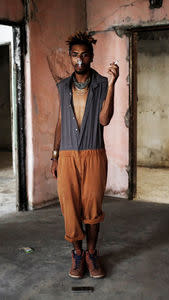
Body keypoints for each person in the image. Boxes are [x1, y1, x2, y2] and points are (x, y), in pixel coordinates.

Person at [50, 32, 119, 279]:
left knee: (92, 206)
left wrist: (112, 85)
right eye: (75, 55)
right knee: (70, 207)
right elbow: (60, 122)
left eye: (84, 54)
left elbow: (104, 119)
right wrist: (55, 155)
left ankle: (91, 254)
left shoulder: (101, 83)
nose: (79, 60)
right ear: (71, 58)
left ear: (91, 57)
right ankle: (77, 255)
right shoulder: (62, 87)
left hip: (93, 154)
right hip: (67, 156)